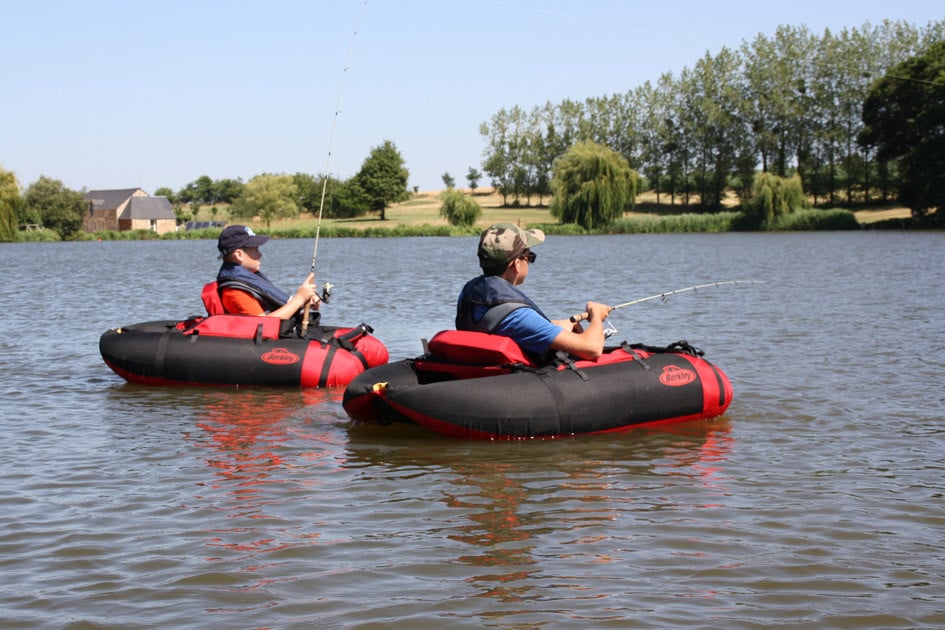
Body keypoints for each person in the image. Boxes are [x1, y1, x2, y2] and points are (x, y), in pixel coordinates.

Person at [456, 222, 611, 362]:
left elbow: (508, 325)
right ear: (516, 264)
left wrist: (554, 326)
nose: (530, 261)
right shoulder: (515, 314)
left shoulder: (468, 294)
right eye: (530, 256)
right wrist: (597, 315)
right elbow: (592, 349)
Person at [216, 225, 320, 320]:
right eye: (256, 249)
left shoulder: (246, 281)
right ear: (239, 255)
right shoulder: (235, 291)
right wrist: (299, 299)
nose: (260, 254)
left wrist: (305, 300)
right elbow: (264, 325)